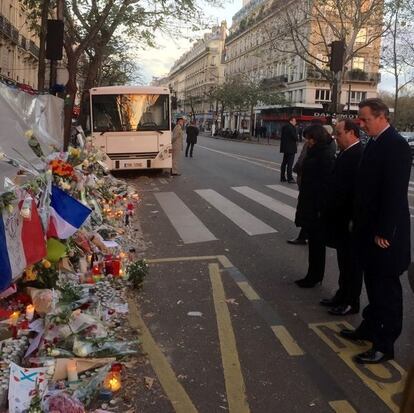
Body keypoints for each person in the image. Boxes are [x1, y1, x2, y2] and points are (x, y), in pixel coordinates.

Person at [339, 98, 412, 364]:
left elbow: (394, 194)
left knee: (387, 291)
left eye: (365, 119)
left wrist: (384, 231)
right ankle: (368, 329)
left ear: (382, 117)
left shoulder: (396, 146)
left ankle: (385, 344)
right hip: (368, 231)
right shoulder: (375, 142)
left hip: (385, 235)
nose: (361, 123)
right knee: (373, 285)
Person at [320, 119, 364, 316]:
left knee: (351, 264)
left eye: (338, 133)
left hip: (348, 219)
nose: (335, 137)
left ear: (351, 133)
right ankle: (342, 294)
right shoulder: (347, 153)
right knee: (343, 261)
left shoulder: (357, 154)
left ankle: (350, 301)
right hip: (339, 217)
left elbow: (355, 192)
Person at [294, 124, 336, 288]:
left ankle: (314, 276)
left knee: (317, 244)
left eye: (310, 139)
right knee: (313, 243)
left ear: (316, 138)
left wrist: (320, 207)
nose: (308, 142)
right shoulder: (317, 151)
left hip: (317, 205)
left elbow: (325, 184)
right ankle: (313, 274)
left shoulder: (325, 155)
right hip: (310, 201)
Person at [287, 138, 310, 245]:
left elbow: (302, 158)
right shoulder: (329, 145)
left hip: (307, 182)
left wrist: (296, 169)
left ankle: (304, 235)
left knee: (305, 207)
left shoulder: (311, 144)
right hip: (309, 182)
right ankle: (305, 234)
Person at [280, 117, 298, 183]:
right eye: (294, 121)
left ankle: (282, 177)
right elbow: (295, 137)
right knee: (290, 164)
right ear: (291, 121)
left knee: (284, 163)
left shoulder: (284, 127)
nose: (295, 122)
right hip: (291, 148)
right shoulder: (292, 128)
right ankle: (290, 178)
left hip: (285, 148)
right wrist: (297, 137)